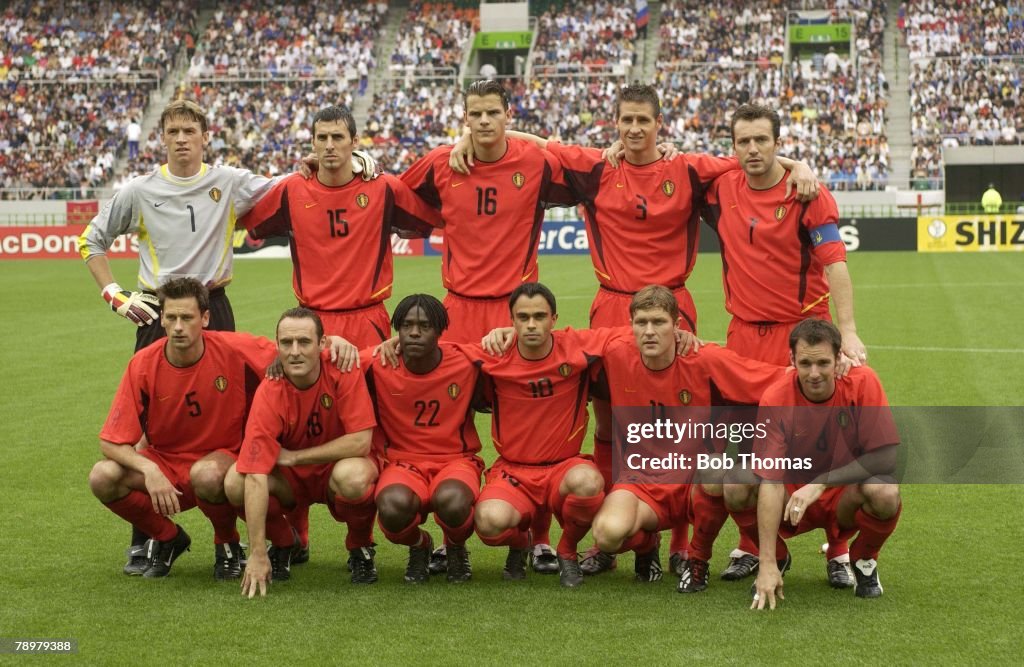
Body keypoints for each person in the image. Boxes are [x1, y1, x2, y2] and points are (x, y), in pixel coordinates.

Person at [450, 84, 818, 577]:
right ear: (616, 123)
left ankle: (686, 544)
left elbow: (751, 160)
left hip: (673, 310)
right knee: (610, 423)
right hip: (611, 309)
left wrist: (799, 165)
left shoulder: (687, 169)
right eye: (627, 120)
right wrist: (467, 141)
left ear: (659, 123)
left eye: (644, 120)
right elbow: (536, 145)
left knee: (691, 426)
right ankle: (610, 534)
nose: (635, 129)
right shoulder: (597, 168)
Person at [400, 79, 575, 574]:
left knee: (526, 419)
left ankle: (536, 537)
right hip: (457, 311)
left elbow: (592, 170)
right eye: (473, 114)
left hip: (514, 309)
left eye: (492, 113)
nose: (482, 122)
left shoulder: (534, 161)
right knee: (450, 422)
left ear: (507, 113)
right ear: (465, 117)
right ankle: (452, 540)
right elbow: (390, 189)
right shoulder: (442, 163)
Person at [702, 103, 867, 586]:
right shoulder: (719, 185)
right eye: (743, 141)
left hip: (801, 337)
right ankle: (754, 546)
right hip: (743, 336)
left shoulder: (806, 193)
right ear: (732, 147)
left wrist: (849, 331)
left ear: (778, 142)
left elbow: (835, 264)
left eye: (761, 140)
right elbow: (666, 164)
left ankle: (837, 550)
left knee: (817, 448)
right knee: (743, 453)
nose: (752, 149)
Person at [588, 285, 786, 592]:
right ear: (631, 327)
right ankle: (646, 545)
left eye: (659, 322)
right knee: (606, 534)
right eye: (641, 323)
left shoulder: (705, 359)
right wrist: (507, 336)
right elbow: (558, 343)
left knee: (719, 470)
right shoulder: (615, 352)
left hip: (696, 482)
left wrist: (837, 371)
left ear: (677, 325)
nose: (650, 331)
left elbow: (772, 378)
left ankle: (697, 559)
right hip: (640, 483)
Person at [87, 278, 278, 579]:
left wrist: (337, 345)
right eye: (171, 317)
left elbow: (297, 352)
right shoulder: (142, 364)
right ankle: (168, 537)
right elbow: (111, 443)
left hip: (222, 455)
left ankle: (226, 543)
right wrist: (149, 470)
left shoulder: (235, 348)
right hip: (165, 460)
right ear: (161, 318)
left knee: (207, 473)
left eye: (187, 318)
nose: (178, 326)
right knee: (102, 476)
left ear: (204, 318)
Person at [240, 106, 439, 350]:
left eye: (337, 137)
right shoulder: (291, 189)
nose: (329, 145)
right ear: (312, 142)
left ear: (355, 141)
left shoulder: (383, 188)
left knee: (368, 389)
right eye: (322, 138)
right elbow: (247, 222)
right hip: (313, 321)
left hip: (367, 319)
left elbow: (433, 216)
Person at [467, 283, 619, 588]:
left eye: (539, 316)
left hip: (563, 467)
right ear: (511, 320)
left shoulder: (576, 346)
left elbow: (625, 335)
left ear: (554, 318)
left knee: (589, 483)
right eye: (523, 317)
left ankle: (566, 551)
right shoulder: (493, 355)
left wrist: (678, 335)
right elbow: (441, 352)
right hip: (513, 471)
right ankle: (520, 543)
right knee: (488, 523)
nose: (531, 324)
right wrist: (393, 343)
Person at [746, 319, 902, 608]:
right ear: (791, 359)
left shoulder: (863, 382)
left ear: (839, 358)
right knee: (736, 483)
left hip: (843, 495)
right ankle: (776, 560)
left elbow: (885, 458)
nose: (814, 373)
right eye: (805, 363)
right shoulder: (776, 397)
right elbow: (769, 479)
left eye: (823, 363)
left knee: (885, 490)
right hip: (791, 499)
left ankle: (864, 560)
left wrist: (819, 482)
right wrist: (765, 561)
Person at [228, 308, 378, 597]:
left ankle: (360, 547)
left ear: (323, 345)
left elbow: (361, 442)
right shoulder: (270, 389)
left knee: (355, 476)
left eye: (304, 342)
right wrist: (257, 552)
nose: (295, 351)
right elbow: (256, 473)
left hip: (333, 470)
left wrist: (295, 457)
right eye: (286, 343)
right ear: (277, 345)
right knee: (236, 480)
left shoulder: (344, 368)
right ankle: (285, 543)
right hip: (290, 480)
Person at [363, 294, 488, 584]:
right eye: (406, 326)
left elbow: (514, 349)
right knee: (392, 507)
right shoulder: (378, 362)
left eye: (424, 326)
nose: (415, 332)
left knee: (453, 501)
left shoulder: (467, 360)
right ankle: (420, 546)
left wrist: (506, 332)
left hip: (456, 460)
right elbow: (328, 360)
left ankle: (456, 547)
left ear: (441, 330)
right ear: (397, 330)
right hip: (403, 464)